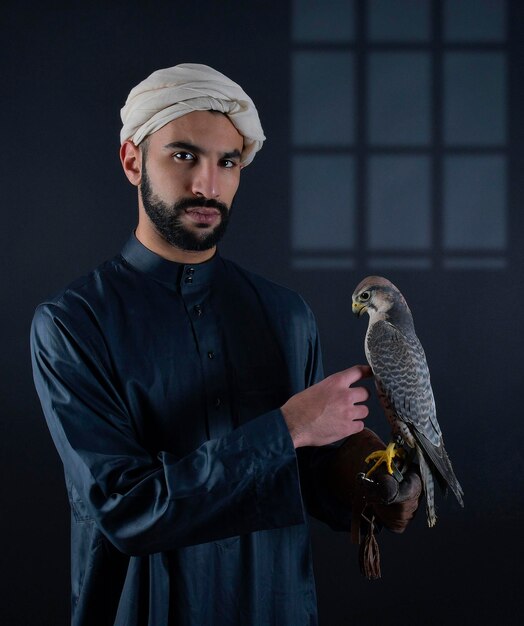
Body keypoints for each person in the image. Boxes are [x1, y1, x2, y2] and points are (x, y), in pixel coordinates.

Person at [31, 63, 420, 626]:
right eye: (184, 156)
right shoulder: (73, 324)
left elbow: (303, 473)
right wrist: (287, 427)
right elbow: (126, 509)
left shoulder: (286, 314)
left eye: (227, 162)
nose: (207, 186)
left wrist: (365, 482)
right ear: (133, 161)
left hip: (276, 605)